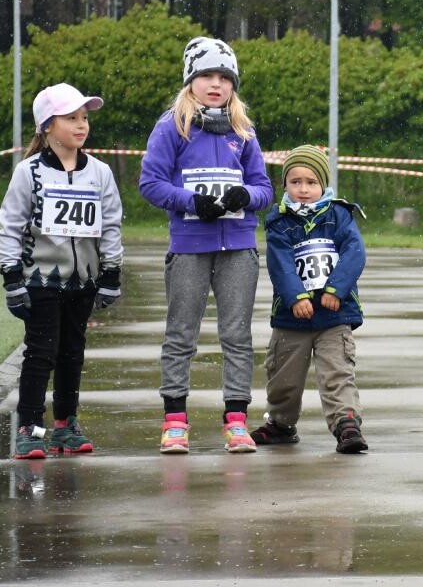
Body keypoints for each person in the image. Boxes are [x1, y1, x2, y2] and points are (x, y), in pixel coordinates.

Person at [139, 36, 273, 454]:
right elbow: (150, 183)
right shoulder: (171, 126)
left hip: (238, 248)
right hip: (189, 247)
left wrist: (245, 196)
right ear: (190, 81)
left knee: (237, 335)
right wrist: (190, 201)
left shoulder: (243, 130)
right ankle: (175, 422)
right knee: (181, 334)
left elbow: (264, 189)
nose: (216, 84)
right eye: (206, 76)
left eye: (224, 77)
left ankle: (236, 421)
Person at [1, 84, 123, 459]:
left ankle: (66, 425)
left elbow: (111, 224)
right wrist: (11, 278)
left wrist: (111, 272)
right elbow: (10, 226)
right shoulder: (29, 172)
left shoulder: (100, 172)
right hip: (40, 280)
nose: (81, 125)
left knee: (72, 354)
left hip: (83, 281)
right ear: (47, 126)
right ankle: (30, 428)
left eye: (84, 117)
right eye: (71, 118)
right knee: (41, 354)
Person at [251, 145, 369, 454]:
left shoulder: (339, 215)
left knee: (337, 372)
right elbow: (280, 263)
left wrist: (335, 290)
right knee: (284, 377)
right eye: (295, 182)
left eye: (311, 182)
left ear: (323, 184)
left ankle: (346, 423)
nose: (303, 189)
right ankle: (281, 424)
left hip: (334, 314)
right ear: (285, 185)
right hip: (292, 316)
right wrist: (295, 297)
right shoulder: (279, 221)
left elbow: (354, 253)